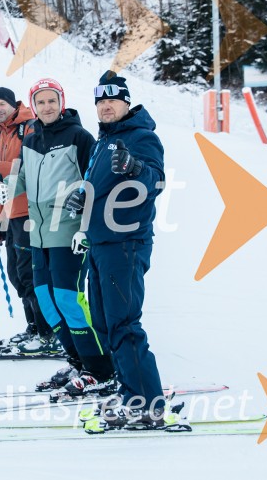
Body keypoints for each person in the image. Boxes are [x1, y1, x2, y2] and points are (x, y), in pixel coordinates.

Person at [63, 70, 168, 427]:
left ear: (126, 102)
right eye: (101, 101)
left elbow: (155, 180)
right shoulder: (102, 142)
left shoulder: (141, 137)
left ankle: (145, 406)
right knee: (107, 325)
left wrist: (137, 167)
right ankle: (129, 392)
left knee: (123, 324)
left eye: (113, 100)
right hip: (101, 243)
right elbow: (100, 187)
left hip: (126, 244)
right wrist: (83, 199)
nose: (106, 106)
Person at [4, 78, 114, 397]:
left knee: (69, 298)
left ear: (61, 102)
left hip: (69, 231)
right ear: (34, 106)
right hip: (40, 234)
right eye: (41, 102)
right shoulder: (32, 138)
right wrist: (6, 187)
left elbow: (95, 180)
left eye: (52, 100)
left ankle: (100, 367)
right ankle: (77, 361)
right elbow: (22, 178)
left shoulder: (78, 136)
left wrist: (85, 227)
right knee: (47, 301)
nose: (47, 107)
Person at [0, 87, 55, 349]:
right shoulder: (2, 134)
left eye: (1, 104)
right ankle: (34, 327)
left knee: (29, 273)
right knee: (16, 273)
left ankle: (48, 332)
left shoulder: (30, 128)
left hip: (30, 213)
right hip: (11, 214)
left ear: (13, 104)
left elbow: (31, 166)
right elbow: (2, 187)